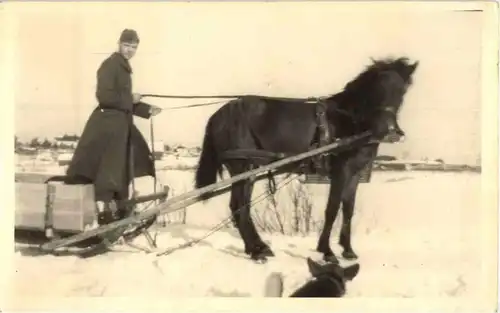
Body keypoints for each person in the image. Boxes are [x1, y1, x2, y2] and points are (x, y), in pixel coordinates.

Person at [65, 29, 162, 224]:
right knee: (109, 172)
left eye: (134, 47)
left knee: (121, 170)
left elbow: (122, 102)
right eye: (127, 45)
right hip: (107, 128)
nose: (130, 50)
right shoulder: (110, 65)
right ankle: (105, 215)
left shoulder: (123, 66)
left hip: (119, 126)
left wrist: (146, 109)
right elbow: (105, 97)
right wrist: (131, 98)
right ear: (119, 43)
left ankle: (117, 211)